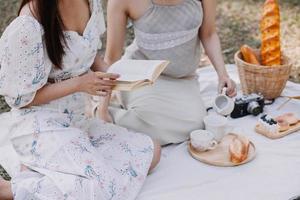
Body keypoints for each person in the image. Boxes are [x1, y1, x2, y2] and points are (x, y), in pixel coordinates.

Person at [0, 0, 160, 199]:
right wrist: (78, 84)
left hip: (76, 119)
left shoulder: (90, 3)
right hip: (39, 121)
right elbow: (20, 99)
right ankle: (11, 190)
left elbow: (89, 52)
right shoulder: (29, 24)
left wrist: (117, 76)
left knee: (150, 152)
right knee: (103, 187)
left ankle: (43, 172)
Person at [99, 0, 237, 145]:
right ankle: (112, 115)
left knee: (194, 124)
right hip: (142, 77)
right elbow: (112, 59)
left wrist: (223, 74)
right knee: (150, 119)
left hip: (183, 79)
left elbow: (208, 34)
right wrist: (103, 110)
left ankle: (130, 121)